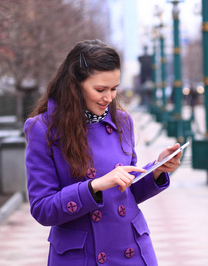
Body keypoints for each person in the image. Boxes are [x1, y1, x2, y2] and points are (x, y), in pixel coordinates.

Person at [24, 39, 182, 266]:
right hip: (83, 256)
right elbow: (42, 209)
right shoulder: (43, 129)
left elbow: (126, 191)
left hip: (132, 251)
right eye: (100, 89)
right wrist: (94, 186)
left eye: (114, 88)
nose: (109, 98)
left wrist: (157, 169)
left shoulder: (122, 121)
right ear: (75, 85)